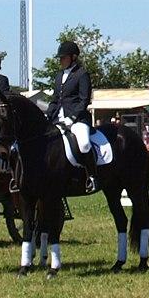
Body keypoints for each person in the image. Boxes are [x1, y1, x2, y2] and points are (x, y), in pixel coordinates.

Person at [45, 41, 96, 193]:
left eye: (64, 57)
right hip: (57, 119)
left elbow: (84, 100)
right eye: (60, 58)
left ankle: (92, 177)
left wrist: (72, 117)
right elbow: (55, 100)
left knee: (84, 143)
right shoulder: (59, 75)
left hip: (78, 119)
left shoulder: (82, 74)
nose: (61, 60)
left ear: (73, 57)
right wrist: (47, 116)